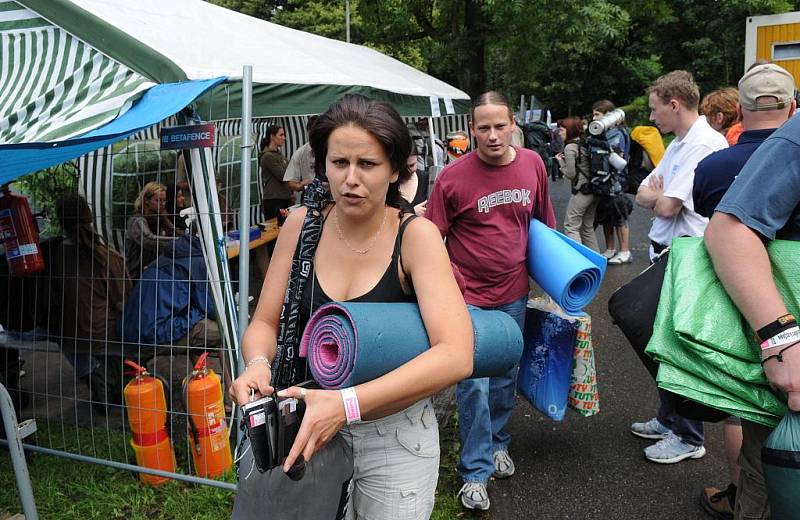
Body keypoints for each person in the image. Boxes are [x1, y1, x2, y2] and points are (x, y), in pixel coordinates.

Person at [229, 94, 473, 519]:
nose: (351, 179)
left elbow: (456, 353)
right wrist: (256, 364)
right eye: (339, 163)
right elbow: (264, 323)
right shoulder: (301, 227)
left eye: (368, 164)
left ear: (395, 168)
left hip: (394, 437)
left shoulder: (416, 237)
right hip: (308, 425)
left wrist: (347, 404)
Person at [426, 91, 556, 511]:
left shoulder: (533, 164)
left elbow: (543, 224)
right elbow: (429, 240)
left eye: (500, 125)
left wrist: (558, 283)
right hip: (468, 299)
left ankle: (499, 441)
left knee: (504, 377)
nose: (493, 135)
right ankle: (475, 473)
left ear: (513, 123)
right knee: (473, 385)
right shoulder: (452, 178)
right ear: (471, 130)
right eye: (484, 127)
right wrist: (443, 289)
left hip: (514, 293)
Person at [692, 63, 796, 520]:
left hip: (751, 320)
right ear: (792, 107)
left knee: (757, 443)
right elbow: (728, 229)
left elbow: (700, 215)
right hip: (778, 328)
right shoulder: (791, 142)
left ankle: (738, 495)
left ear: (739, 109)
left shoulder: (713, 163)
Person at [633, 70, 728, 463]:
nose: (652, 119)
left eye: (656, 110)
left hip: (686, 257)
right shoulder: (679, 143)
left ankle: (689, 436)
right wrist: (656, 196)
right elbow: (643, 192)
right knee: (660, 341)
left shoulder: (703, 145)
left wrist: (656, 196)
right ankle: (670, 417)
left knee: (676, 346)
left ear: (674, 104)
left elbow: (667, 204)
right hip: (668, 253)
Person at [50, 192, 132, 409]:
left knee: (75, 337)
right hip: (101, 333)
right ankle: (111, 379)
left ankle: (92, 372)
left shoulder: (57, 253)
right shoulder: (107, 256)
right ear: (89, 215)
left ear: (60, 221)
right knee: (131, 327)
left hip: (69, 334)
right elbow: (123, 304)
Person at [592, 99, 633, 264]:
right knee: (605, 216)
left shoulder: (616, 133)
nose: (594, 118)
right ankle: (610, 248)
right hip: (602, 181)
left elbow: (618, 159)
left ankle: (625, 251)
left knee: (619, 215)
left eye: (597, 114)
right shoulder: (603, 133)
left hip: (616, 182)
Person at [556, 117, 599, 250]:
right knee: (587, 227)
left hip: (582, 192)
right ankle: (595, 259)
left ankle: (578, 261)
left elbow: (570, 174)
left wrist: (560, 162)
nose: (559, 133)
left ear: (569, 131)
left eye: (562, 130)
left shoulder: (570, 147)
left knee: (571, 226)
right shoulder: (584, 143)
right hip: (594, 190)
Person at [125, 181, 178, 280]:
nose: (162, 204)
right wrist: (179, 242)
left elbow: (174, 232)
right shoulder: (136, 221)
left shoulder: (159, 219)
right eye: (158, 200)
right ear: (146, 201)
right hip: (135, 277)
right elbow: (149, 240)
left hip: (153, 274)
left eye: (164, 200)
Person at [259, 125, 293, 222]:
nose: (284, 138)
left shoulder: (280, 155)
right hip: (274, 200)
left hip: (284, 198)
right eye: (281, 135)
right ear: (272, 137)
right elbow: (284, 176)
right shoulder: (267, 156)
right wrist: (298, 184)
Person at [283, 116, 318, 204]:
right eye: (312, 134)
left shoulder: (331, 150)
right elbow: (291, 183)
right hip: (309, 197)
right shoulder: (300, 153)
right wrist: (303, 185)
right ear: (308, 132)